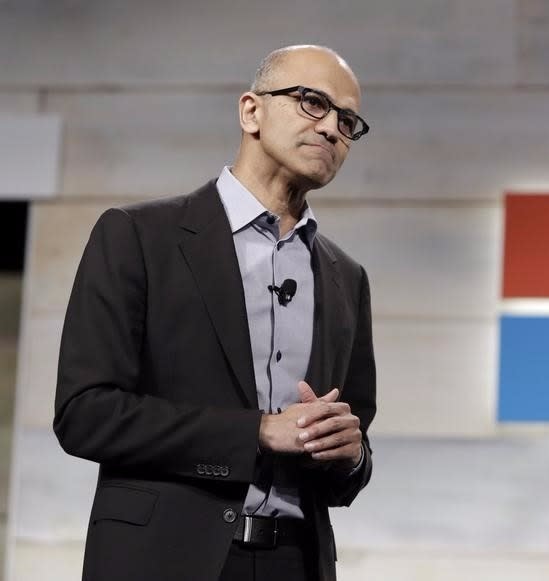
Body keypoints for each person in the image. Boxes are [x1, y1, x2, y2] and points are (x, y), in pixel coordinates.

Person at [53, 44, 376, 581]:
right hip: (161, 559)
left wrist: (350, 455)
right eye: (312, 103)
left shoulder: (348, 277)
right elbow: (85, 414)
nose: (331, 130)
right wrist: (256, 432)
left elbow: (353, 448)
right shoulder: (138, 236)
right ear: (251, 110)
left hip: (295, 562)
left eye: (348, 120)